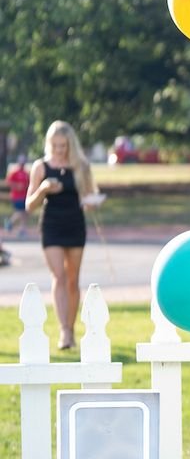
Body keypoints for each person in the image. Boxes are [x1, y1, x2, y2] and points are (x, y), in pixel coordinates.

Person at [27, 121, 102, 349]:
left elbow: (89, 196)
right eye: (55, 145)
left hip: (75, 225)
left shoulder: (81, 166)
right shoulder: (40, 167)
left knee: (72, 279)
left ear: (71, 145)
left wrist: (91, 203)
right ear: (49, 144)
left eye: (64, 146)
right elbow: (30, 205)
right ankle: (64, 332)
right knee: (58, 276)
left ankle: (71, 327)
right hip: (51, 226)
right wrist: (43, 189)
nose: (59, 150)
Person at [7, 157, 29, 236]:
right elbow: (9, 182)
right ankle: (10, 222)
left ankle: (22, 229)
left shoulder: (26, 173)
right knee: (20, 212)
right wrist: (17, 186)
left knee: (24, 213)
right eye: (21, 163)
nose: (22, 164)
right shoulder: (14, 173)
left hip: (24, 196)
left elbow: (28, 183)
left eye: (23, 163)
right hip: (17, 196)